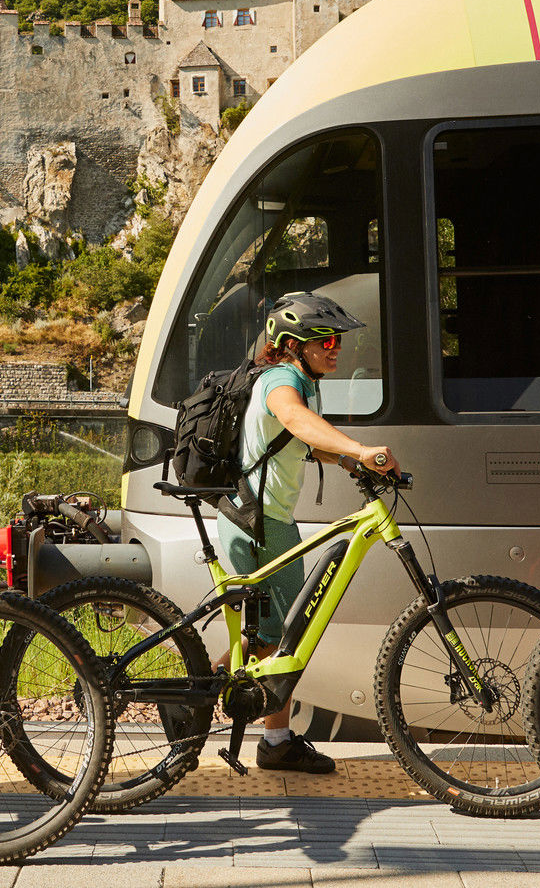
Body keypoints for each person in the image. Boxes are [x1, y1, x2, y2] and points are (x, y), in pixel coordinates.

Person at [216, 291, 401, 774]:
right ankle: (273, 740)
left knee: (271, 633)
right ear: (295, 344)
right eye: (327, 341)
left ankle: (207, 686)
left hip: (264, 518)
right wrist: (360, 449)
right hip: (257, 521)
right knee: (285, 634)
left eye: (338, 340)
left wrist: (345, 460)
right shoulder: (281, 379)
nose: (337, 348)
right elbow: (294, 419)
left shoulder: (302, 380)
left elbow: (296, 439)